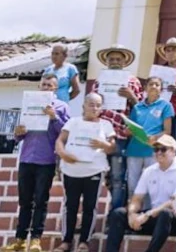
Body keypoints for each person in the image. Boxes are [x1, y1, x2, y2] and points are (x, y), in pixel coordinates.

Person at [3, 73, 70, 252]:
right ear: (39, 86)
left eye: (50, 85)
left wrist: (54, 117)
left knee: (41, 200)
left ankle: (36, 240)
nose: (46, 87)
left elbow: (66, 133)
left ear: (55, 88)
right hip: (26, 158)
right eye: (44, 85)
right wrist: (18, 132)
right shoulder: (29, 103)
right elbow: (20, 136)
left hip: (46, 160)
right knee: (24, 201)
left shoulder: (61, 107)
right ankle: (19, 239)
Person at [102, 134, 176, 252]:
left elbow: (175, 202)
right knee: (118, 213)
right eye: (156, 149)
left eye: (163, 149)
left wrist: (147, 215)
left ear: (173, 151)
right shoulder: (150, 171)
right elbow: (137, 198)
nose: (159, 152)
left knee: (166, 214)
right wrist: (132, 214)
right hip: (154, 216)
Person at [55, 93, 117, 252]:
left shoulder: (106, 125)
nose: (94, 108)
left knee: (90, 206)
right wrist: (63, 154)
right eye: (91, 104)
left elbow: (112, 147)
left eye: (98, 105)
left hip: (94, 170)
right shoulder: (73, 122)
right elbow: (60, 141)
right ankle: (66, 241)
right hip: (71, 171)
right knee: (70, 206)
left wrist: (104, 144)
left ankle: (84, 241)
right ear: (83, 106)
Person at [87, 45, 144, 210]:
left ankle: (115, 215)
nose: (115, 62)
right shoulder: (100, 81)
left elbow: (141, 110)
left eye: (118, 59)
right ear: (107, 61)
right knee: (97, 176)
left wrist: (131, 96)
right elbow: (91, 107)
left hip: (120, 135)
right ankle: (92, 214)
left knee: (119, 177)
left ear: (125, 62)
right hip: (100, 134)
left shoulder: (133, 82)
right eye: (111, 59)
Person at [125, 76, 176, 195]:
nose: (153, 87)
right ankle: (134, 212)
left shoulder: (166, 106)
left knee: (151, 185)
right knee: (133, 185)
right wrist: (128, 131)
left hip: (153, 150)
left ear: (161, 89)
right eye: (151, 84)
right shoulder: (137, 107)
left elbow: (167, 131)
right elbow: (132, 127)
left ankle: (149, 213)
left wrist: (155, 138)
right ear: (145, 88)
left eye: (157, 85)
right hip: (134, 150)